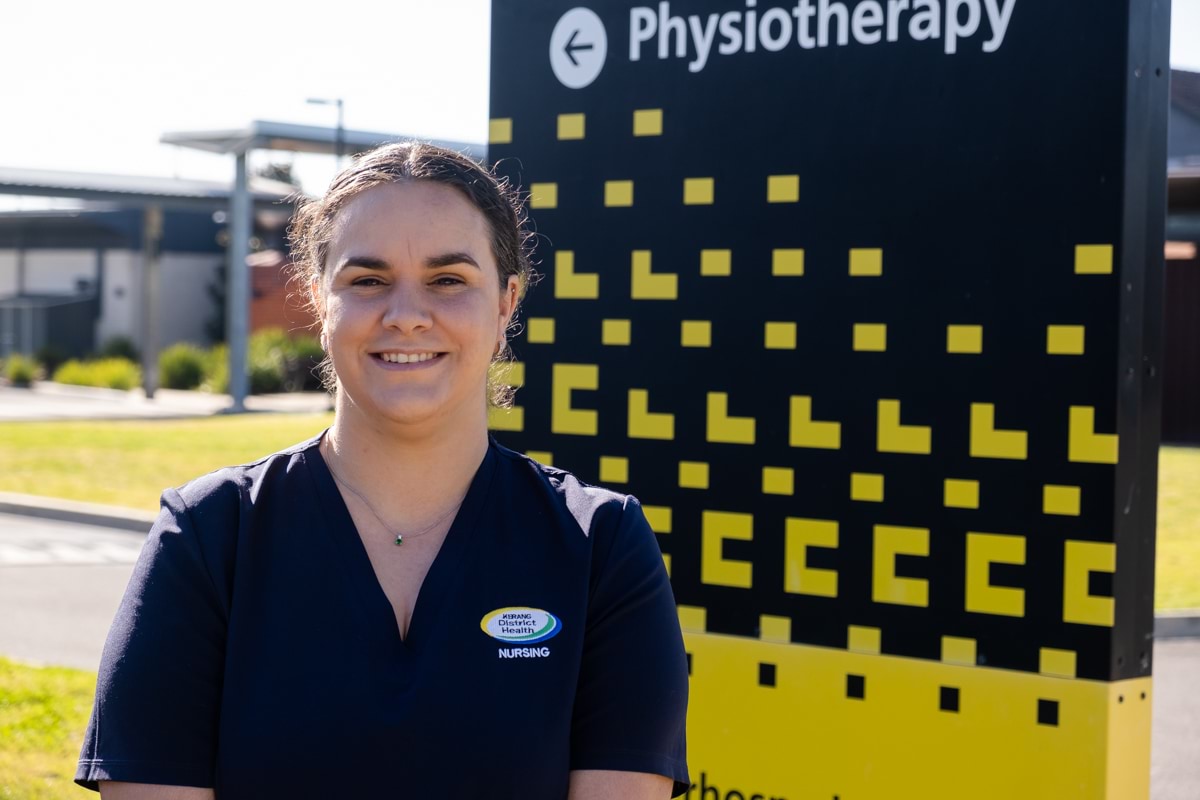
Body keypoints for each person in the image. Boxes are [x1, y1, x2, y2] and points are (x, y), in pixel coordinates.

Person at [74, 141, 690, 799]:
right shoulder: (209, 535)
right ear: (317, 298)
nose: (405, 315)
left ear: (508, 301)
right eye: (367, 280)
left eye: (448, 279)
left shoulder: (600, 545)